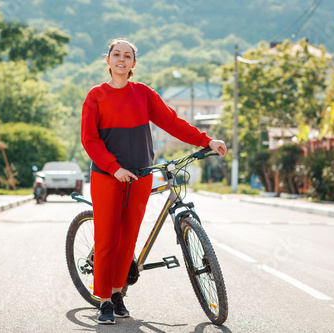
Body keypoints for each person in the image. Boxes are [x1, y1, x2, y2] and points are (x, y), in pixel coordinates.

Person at [81, 38, 227, 325]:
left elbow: (172, 122)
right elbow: (90, 140)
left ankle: (117, 292)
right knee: (107, 239)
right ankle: (104, 301)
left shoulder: (143, 94)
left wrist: (207, 140)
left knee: (127, 240)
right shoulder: (96, 96)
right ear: (107, 60)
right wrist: (114, 168)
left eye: (127, 56)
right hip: (107, 177)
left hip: (141, 175)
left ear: (133, 63)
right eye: (116, 54)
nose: (121, 59)